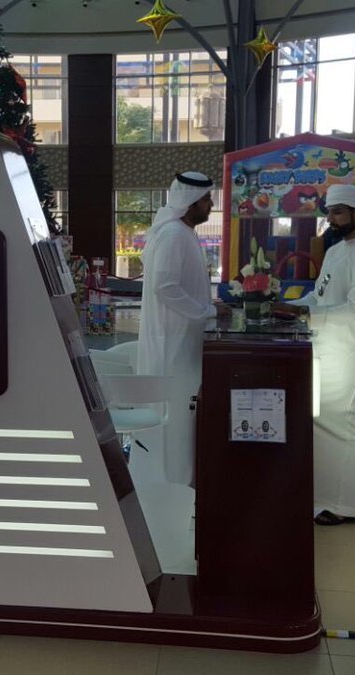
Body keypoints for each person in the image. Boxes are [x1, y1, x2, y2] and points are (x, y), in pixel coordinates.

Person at [285, 184, 355, 526]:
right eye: (329, 213)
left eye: (338, 212)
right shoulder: (335, 251)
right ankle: (328, 497)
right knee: (324, 421)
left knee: (350, 423)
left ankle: (347, 506)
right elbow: (320, 296)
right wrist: (288, 306)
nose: (331, 219)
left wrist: (306, 314)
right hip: (328, 345)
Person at [136, 171, 230, 485]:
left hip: (181, 342)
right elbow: (166, 286)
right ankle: (170, 484)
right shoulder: (173, 234)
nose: (211, 204)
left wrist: (209, 307)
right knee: (173, 415)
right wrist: (206, 311)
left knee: (182, 415)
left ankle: (180, 481)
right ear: (190, 202)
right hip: (171, 346)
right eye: (206, 199)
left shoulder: (183, 232)